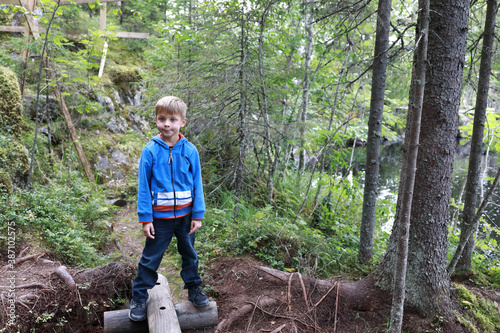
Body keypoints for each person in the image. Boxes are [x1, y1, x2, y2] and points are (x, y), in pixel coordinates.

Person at [129, 96, 209, 322]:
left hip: (186, 217)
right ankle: (138, 297)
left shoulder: (190, 150)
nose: (167, 124)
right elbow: (144, 187)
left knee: (190, 255)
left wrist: (198, 214)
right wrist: (146, 218)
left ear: (182, 122)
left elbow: (197, 183)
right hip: (160, 219)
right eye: (162, 118)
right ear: (156, 120)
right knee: (150, 258)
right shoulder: (150, 151)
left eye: (172, 119)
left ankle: (194, 289)